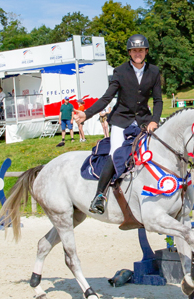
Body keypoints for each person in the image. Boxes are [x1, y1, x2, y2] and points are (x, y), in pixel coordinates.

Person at [72, 34, 163, 215]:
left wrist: (154, 120)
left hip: (144, 122)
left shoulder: (154, 71)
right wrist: (87, 114)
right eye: (134, 50)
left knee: (155, 153)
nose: (138, 53)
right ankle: (100, 195)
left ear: (146, 51)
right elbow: (107, 97)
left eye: (141, 50)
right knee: (116, 153)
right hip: (121, 121)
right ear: (130, 52)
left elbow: (158, 101)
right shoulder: (120, 71)